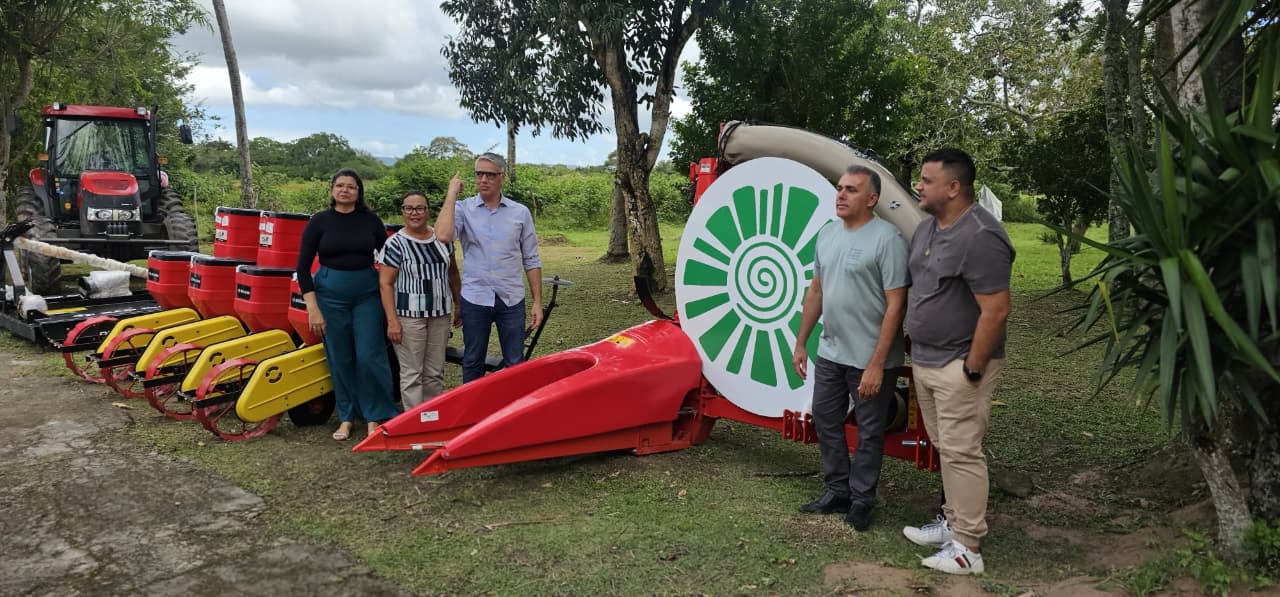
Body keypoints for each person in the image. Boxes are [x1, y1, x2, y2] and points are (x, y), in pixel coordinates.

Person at [900, 148, 1014, 575]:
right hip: (927, 360)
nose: (918, 186)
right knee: (946, 449)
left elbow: (996, 310)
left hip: (959, 364)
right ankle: (953, 522)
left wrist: (972, 368)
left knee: (962, 451)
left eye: (926, 181)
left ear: (953, 187)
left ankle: (968, 548)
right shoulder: (927, 228)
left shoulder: (982, 235)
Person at [791, 165, 909, 532]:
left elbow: (896, 305)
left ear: (872, 199)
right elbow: (816, 290)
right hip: (831, 352)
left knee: (870, 431)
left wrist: (877, 364)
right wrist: (801, 342)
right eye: (840, 188)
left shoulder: (887, 239)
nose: (841, 195)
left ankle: (862, 500)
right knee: (826, 419)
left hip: (870, 358)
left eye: (851, 190)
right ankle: (837, 490)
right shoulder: (827, 235)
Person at [296, 168, 400, 441]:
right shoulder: (319, 222)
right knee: (340, 357)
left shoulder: (371, 220)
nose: (345, 190)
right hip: (329, 297)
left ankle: (375, 415)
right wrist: (313, 308)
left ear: (358, 191)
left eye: (351, 186)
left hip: (367, 295)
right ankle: (346, 417)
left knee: (369, 355)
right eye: (340, 185)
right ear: (332, 189)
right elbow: (303, 268)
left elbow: (390, 257)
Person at [446, 152, 542, 383]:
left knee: (515, 362)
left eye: (490, 175)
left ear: (502, 177)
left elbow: (531, 259)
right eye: (479, 174)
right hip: (475, 297)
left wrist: (537, 301)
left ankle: (512, 405)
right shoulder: (462, 209)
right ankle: (474, 406)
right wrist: (451, 194)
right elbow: (443, 236)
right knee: (472, 360)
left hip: (511, 298)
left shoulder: (520, 212)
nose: (483, 180)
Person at [379, 181, 464, 410]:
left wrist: (458, 303)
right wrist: (392, 321)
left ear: (428, 211)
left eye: (419, 208)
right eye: (409, 208)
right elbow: (385, 283)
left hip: (439, 314)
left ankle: (431, 420)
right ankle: (414, 423)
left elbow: (453, 273)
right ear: (402, 211)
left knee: (434, 371)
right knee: (412, 374)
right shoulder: (395, 243)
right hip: (409, 317)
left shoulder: (442, 239)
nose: (414, 213)